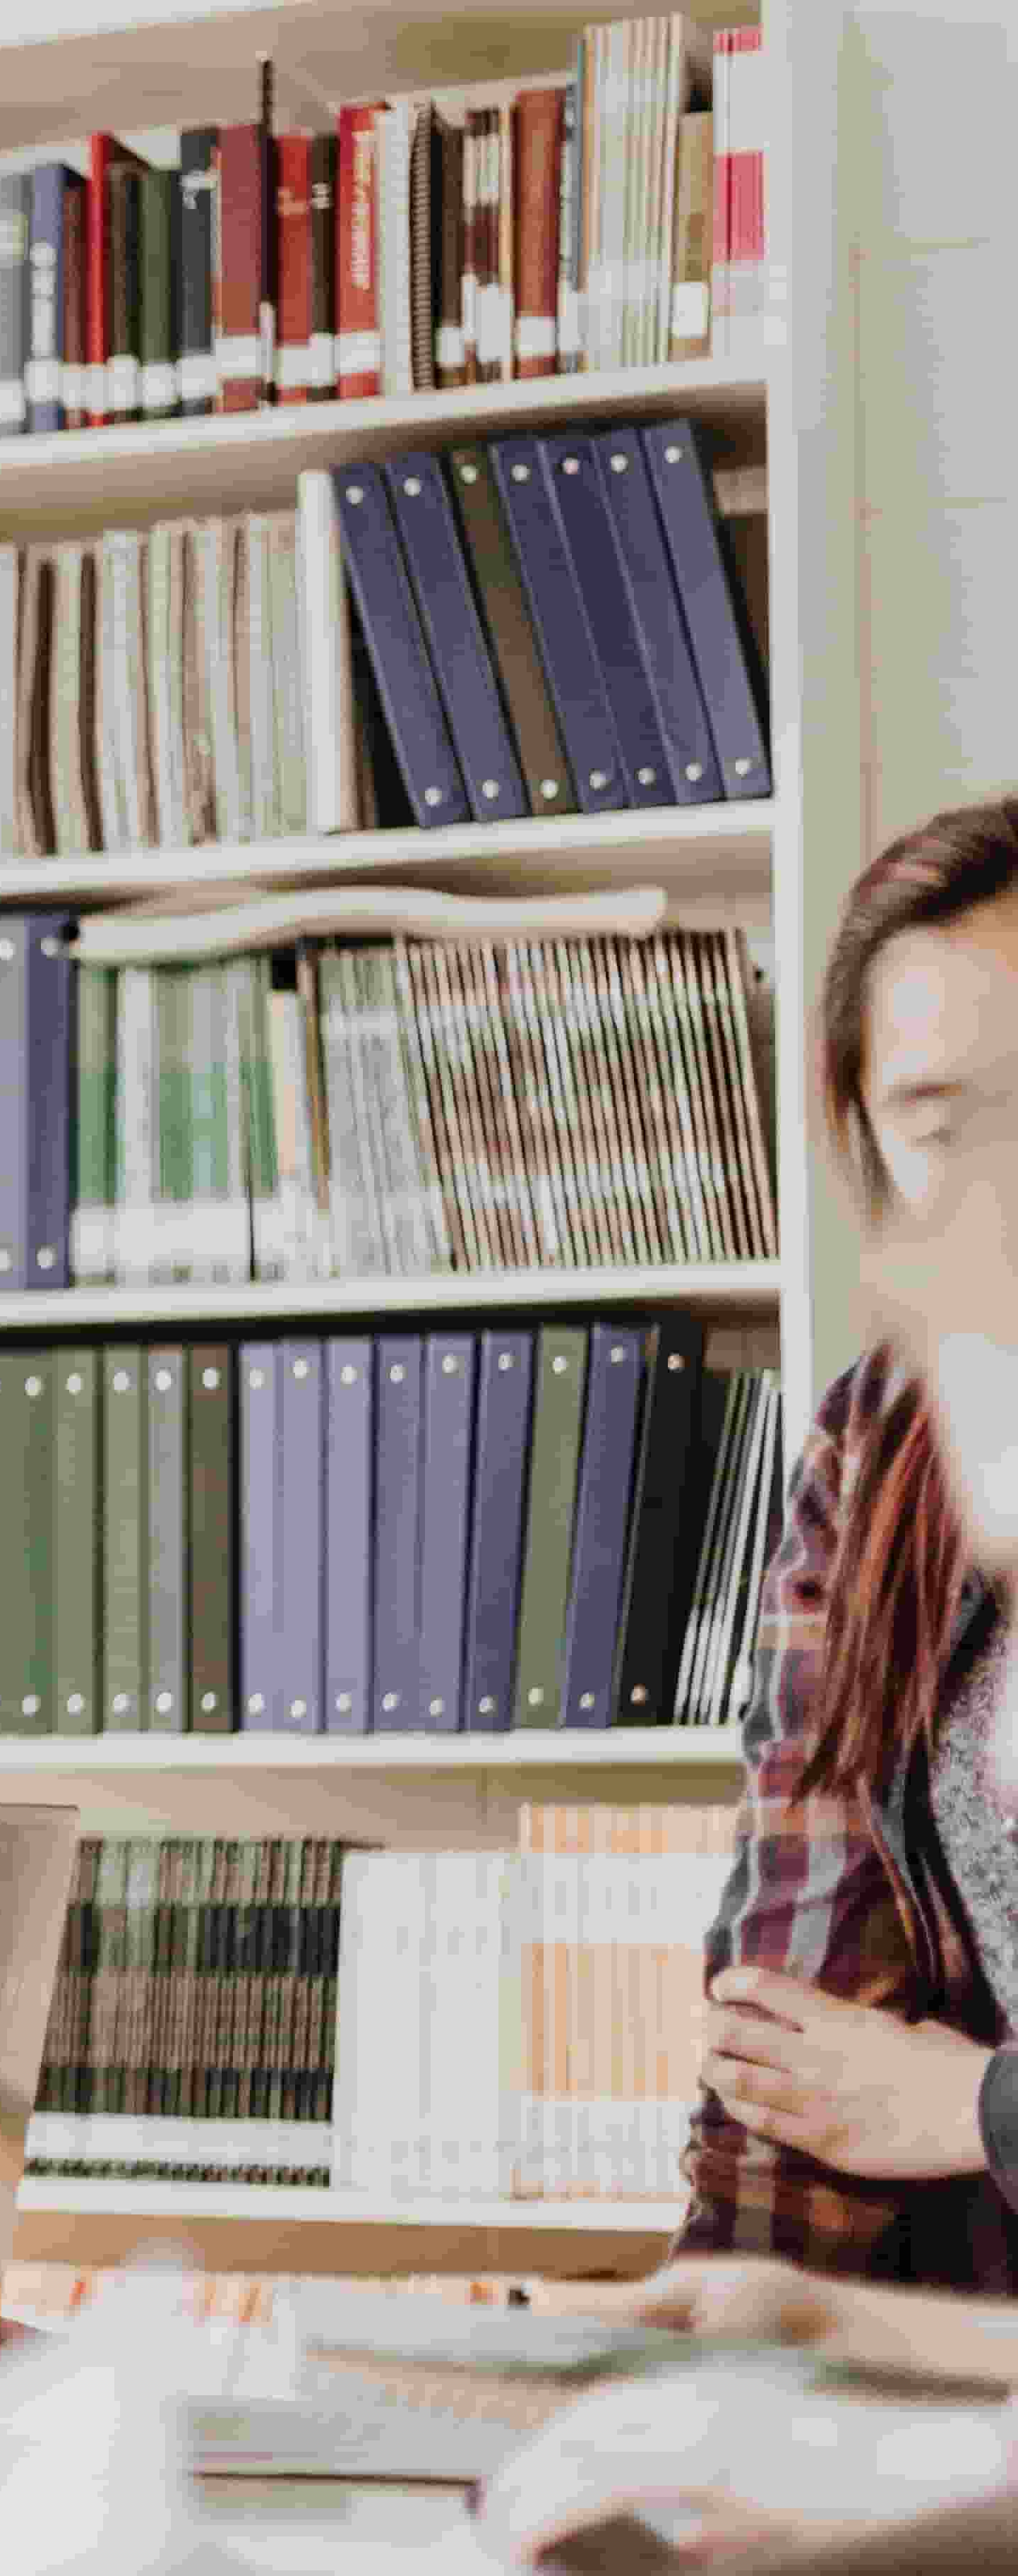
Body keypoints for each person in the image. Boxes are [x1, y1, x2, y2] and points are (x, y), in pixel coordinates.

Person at [678, 796, 1018, 2293]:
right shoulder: (883, 1444)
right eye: (941, 1126)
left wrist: (972, 2106)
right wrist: (711, 2334)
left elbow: (912, 2098)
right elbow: (796, 2018)